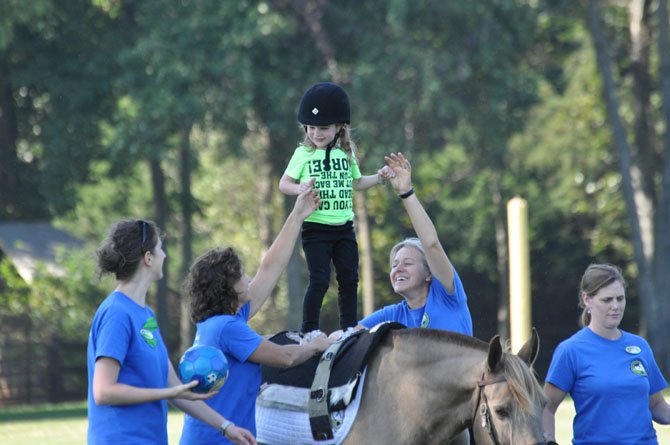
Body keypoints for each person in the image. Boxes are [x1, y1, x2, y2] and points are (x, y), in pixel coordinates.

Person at [179, 183, 333, 445]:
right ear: (226, 287)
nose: (248, 278)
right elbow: (285, 357)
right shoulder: (227, 327)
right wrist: (318, 344)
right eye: (241, 275)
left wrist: (297, 215)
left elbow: (270, 269)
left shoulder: (220, 321)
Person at [87, 219, 255, 445]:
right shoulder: (117, 314)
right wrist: (168, 394)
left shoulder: (146, 316)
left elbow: (174, 388)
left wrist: (226, 427)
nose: (164, 255)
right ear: (148, 258)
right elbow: (104, 391)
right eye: (160, 249)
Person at [279, 82, 391, 336]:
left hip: (344, 228)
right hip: (316, 229)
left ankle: (349, 328)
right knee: (319, 280)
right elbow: (284, 184)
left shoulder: (346, 154)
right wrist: (301, 189)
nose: (317, 133)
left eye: (324, 128)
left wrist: (382, 177)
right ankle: (309, 330)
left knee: (349, 279)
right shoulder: (303, 154)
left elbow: (357, 183)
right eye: (312, 128)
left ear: (340, 127)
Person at [542, 263, 670, 445]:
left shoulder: (639, 346)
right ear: (587, 299)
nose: (616, 306)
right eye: (607, 300)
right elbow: (546, 407)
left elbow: (656, 405)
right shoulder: (571, 351)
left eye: (620, 298)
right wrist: (549, 440)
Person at [354, 152, 473, 335]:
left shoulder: (447, 296)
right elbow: (349, 336)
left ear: (429, 274)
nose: (398, 269)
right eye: (395, 265)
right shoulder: (392, 314)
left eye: (407, 263)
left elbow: (431, 244)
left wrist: (406, 192)